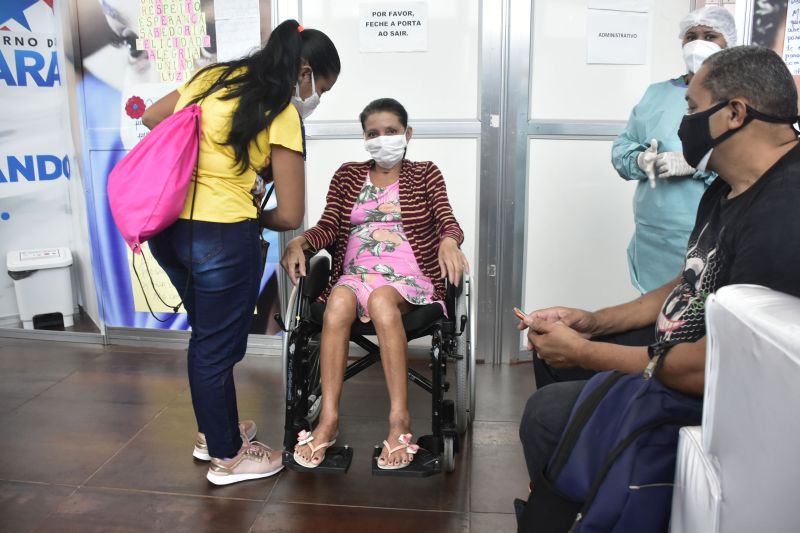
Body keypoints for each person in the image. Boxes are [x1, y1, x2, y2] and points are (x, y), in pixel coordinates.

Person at [520, 45, 800, 487]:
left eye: (691, 107)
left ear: (735, 113)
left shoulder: (785, 210)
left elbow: (715, 366)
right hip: (687, 346)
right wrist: (593, 323)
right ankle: (584, 484)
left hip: (725, 392)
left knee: (548, 414)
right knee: (554, 360)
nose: (681, 123)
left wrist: (585, 351)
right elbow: (690, 279)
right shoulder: (727, 186)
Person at [140, 19, 340, 486]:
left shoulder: (212, 79)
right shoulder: (281, 111)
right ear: (303, 71)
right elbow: (291, 214)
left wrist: (208, 160)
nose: (314, 100)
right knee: (215, 346)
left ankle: (217, 432)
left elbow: (152, 118)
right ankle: (228, 457)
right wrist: (253, 204)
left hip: (168, 228)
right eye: (319, 89)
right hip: (222, 238)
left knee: (210, 337)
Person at [281, 98, 469, 470]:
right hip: (355, 274)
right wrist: (299, 241)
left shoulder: (426, 173)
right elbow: (329, 226)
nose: (382, 140)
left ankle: (400, 420)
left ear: (407, 134)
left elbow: (447, 220)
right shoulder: (348, 174)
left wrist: (449, 240)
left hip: (408, 278)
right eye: (373, 134)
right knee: (336, 301)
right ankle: (329, 419)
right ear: (364, 138)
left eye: (391, 132)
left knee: (383, 300)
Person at [612, 6, 736, 295]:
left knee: (697, 313)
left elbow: (754, 164)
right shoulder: (657, 93)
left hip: (708, 228)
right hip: (653, 233)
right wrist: (641, 160)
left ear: (727, 42)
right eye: (691, 36)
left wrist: (700, 164)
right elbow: (623, 147)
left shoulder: (738, 98)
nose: (698, 43)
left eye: (710, 35)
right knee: (651, 314)